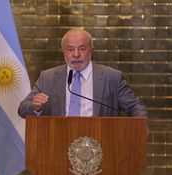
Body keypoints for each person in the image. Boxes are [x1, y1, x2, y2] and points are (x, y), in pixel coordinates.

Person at [18, 28, 147, 118]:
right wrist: (35, 107)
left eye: (82, 49)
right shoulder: (48, 77)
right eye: (70, 49)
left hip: (100, 143)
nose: (76, 55)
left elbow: (135, 106)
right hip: (58, 144)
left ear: (91, 50)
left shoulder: (112, 77)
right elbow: (23, 109)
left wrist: (141, 124)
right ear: (62, 51)